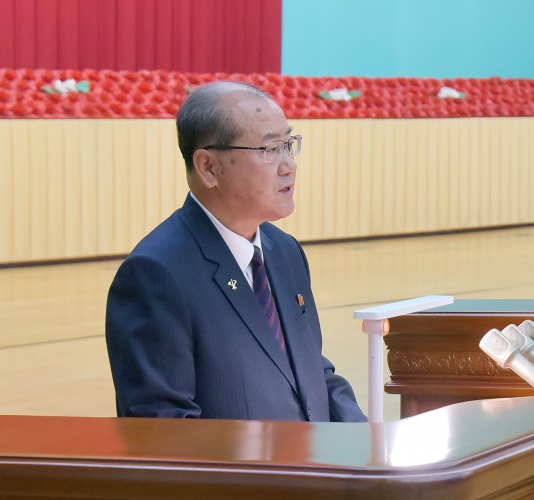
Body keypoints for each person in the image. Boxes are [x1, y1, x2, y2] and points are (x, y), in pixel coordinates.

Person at [105, 81, 366, 422]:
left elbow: (314, 372)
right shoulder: (157, 274)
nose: (289, 165)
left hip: (311, 471)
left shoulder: (285, 252)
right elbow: (164, 431)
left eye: (289, 144)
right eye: (270, 150)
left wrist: (366, 441)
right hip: (251, 476)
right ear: (209, 167)